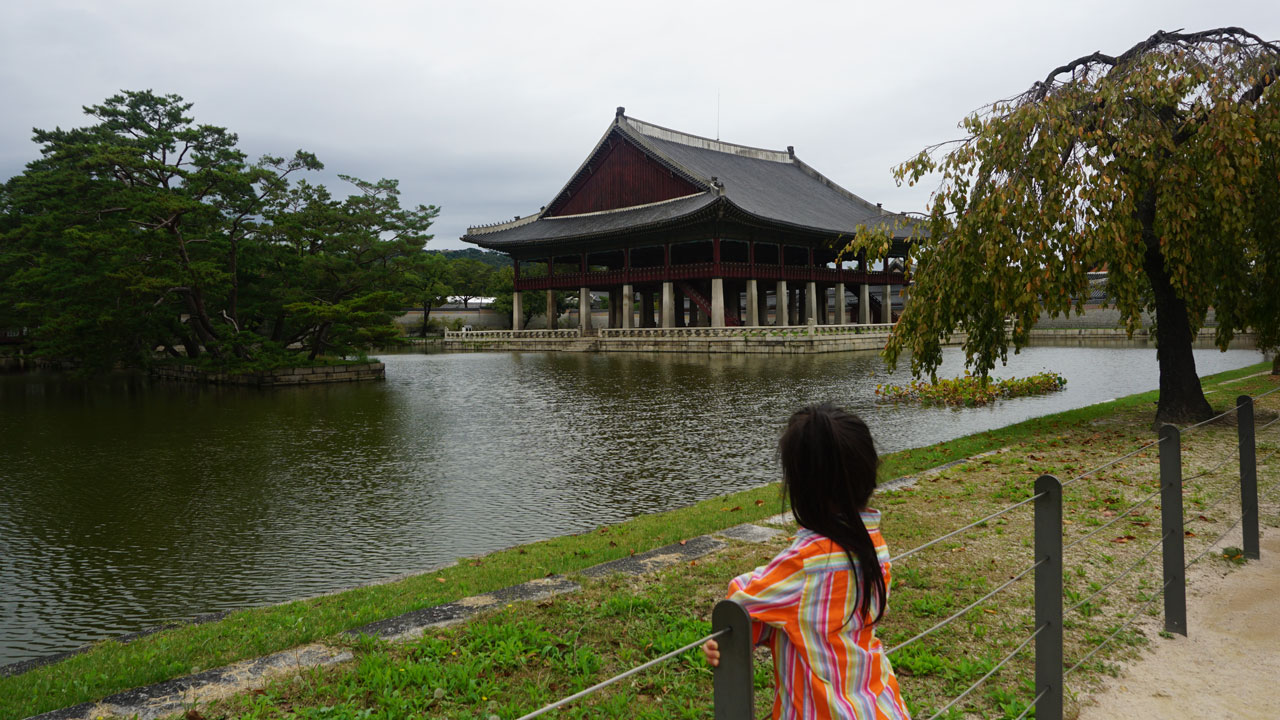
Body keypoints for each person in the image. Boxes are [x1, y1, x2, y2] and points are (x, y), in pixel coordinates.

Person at [703, 403, 910, 719]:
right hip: (880, 705)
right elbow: (813, 617)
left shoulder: (805, 564)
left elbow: (740, 601)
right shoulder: (875, 547)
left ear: (801, 488)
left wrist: (751, 626)